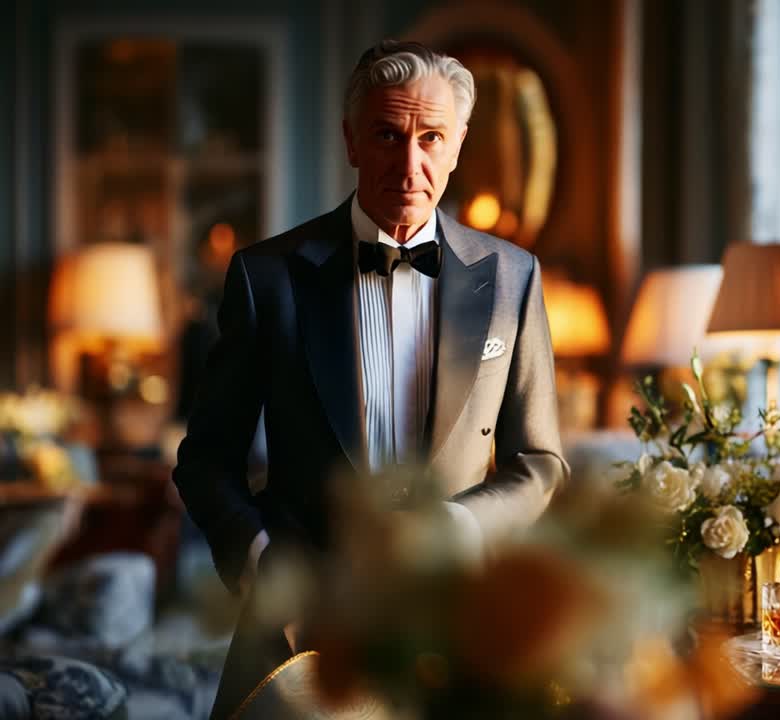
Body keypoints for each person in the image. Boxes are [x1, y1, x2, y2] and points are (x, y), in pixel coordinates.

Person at [171, 40, 567, 719]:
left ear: (458, 144)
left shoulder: (513, 277)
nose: (409, 165)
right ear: (351, 140)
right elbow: (206, 460)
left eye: (430, 138)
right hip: (297, 637)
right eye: (387, 134)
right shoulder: (267, 277)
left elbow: (540, 461)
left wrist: (461, 528)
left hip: (459, 628)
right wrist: (266, 564)